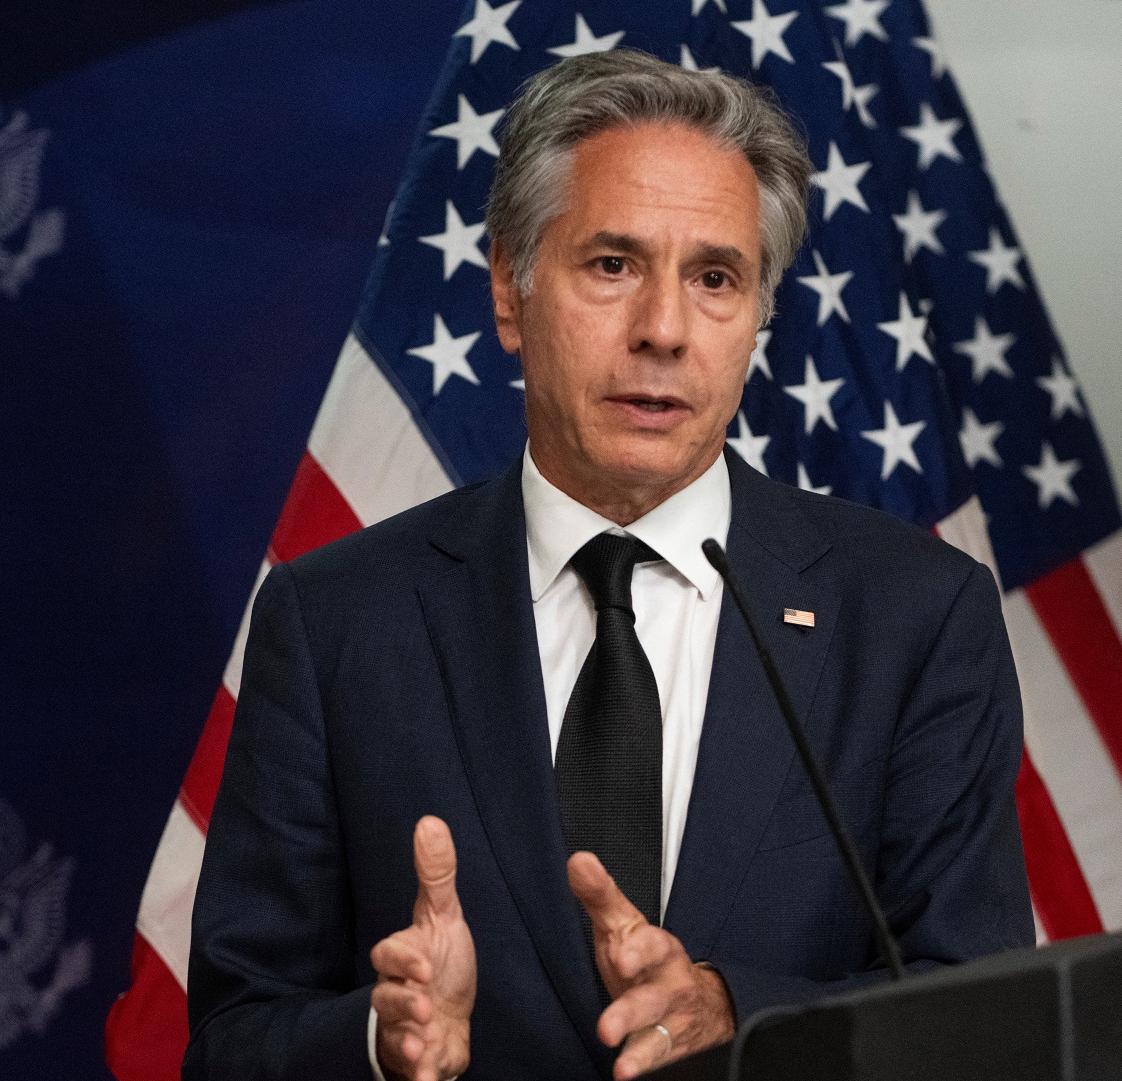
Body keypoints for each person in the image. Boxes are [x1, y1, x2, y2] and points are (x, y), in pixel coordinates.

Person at [185, 50, 1032, 1081]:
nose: (663, 331)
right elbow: (233, 1040)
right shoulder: (334, 620)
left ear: (758, 317)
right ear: (510, 291)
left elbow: (981, 1018)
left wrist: (736, 1013)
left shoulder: (916, 617)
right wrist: (379, 1036)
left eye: (714, 278)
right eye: (613, 265)